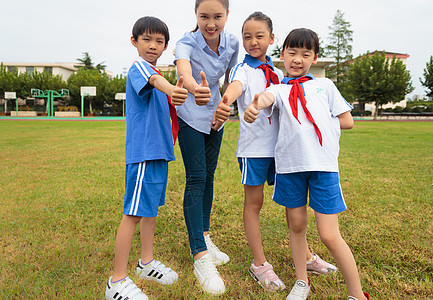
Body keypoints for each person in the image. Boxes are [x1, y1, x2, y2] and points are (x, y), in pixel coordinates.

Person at [214, 12, 337, 292]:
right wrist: (227, 101)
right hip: (255, 150)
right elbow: (235, 87)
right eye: (247, 36)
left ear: (272, 40)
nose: (253, 41)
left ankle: (305, 257)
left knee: (292, 205)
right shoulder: (242, 69)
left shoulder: (280, 73)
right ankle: (259, 264)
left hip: (284, 151)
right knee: (254, 204)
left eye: (259, 36)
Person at [243, 28, 370, 300]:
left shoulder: (325, 86)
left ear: (314, 57)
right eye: (292, 53)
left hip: (323, 168)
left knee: (328, 234)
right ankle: (302, 282)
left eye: (305, 54)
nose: (297, 59)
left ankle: (357, 294)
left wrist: (322, 123)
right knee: (297, 226)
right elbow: (267, 99)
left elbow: (347, 120)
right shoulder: (277, 88)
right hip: (290, 168)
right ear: (282, 55)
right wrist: (256, 106)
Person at [105, 16, 188, 300]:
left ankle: (146, 263)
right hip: (143, 153)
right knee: (133, 213)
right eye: (147, 39)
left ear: (165, 46)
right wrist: (173, 90)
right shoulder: (140, 68)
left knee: (150, 210)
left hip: (158, 153)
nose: (153, 45)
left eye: (160, 41)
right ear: (134, 41)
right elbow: (155, 80)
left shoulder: (154, 70)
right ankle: (116, 281)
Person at [173, 0, 239, 295]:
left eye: (217, 16)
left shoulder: (233, 42)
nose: (211, 23)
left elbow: (234, 76)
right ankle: (200, 255)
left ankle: (204, 234)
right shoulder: (186, 42)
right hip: (190, 115)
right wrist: (193, 87)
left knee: (210, 176)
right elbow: (184, 70)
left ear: (227, 15)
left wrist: (225, 101)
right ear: (195, 16)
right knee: (197, 178)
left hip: (217, 117)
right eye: (204, 17)